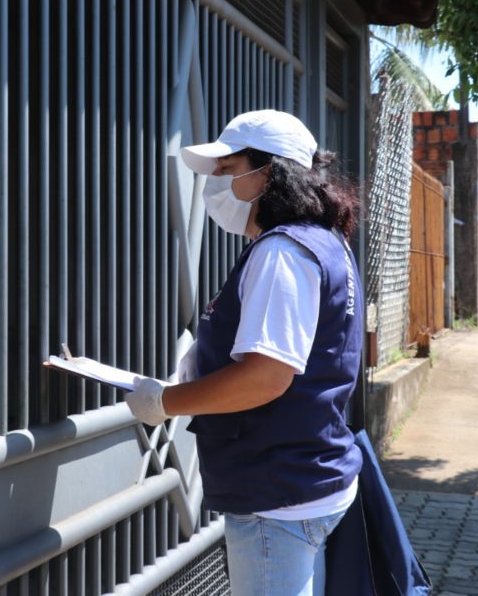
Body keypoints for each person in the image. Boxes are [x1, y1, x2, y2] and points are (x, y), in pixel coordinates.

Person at [126, 109, 365, 596]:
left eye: (229, 170)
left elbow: (266, 377)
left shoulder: (283, 252)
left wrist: (166, 402)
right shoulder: (326, 242)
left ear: (269, 174)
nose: (217, 185)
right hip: (309, 476)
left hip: (277, 496)